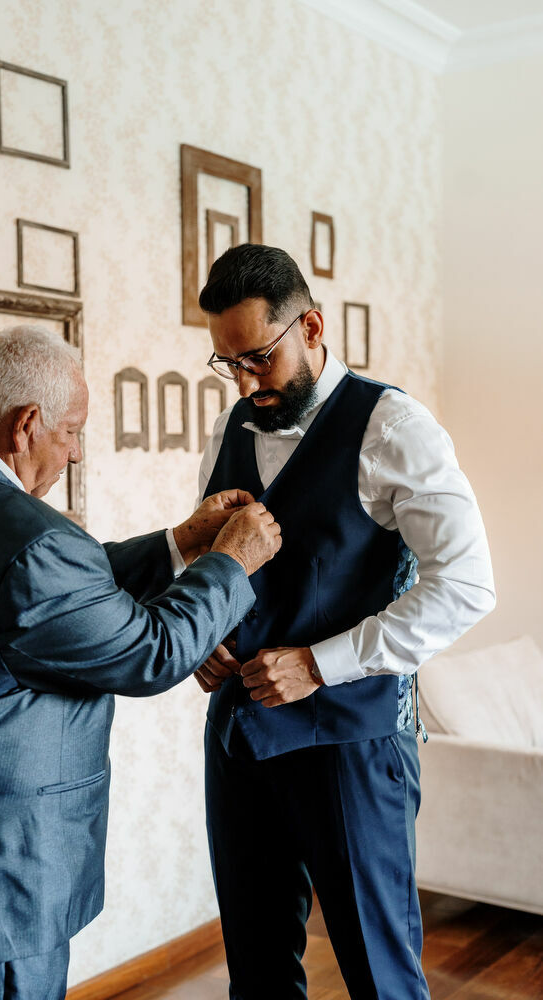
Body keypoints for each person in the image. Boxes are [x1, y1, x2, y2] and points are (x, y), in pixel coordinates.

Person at [0, 325, 281, 1000]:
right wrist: (229, 563)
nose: (72, 452)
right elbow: (149, 654)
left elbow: (42, 600)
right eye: (71, 432)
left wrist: (177, 543)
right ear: (26, 424)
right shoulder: (28, 539)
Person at [190, 244, 495, 1000]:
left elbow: (466, 584)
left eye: (258, 358)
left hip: (352, 745)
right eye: (228, 364)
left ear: (313, 327)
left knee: (380, 978)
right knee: (257, 975)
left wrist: (321, 663)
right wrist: (203, 636)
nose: (246, 382)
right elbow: (216, 561)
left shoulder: (393, 426)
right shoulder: (231, 427)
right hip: (240, 737)